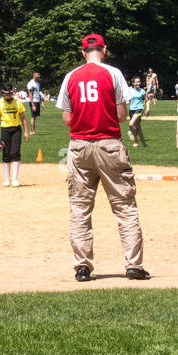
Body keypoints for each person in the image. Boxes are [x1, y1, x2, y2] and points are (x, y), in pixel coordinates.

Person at [56, 33, 148, 281]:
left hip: (79, 146)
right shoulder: (113, 73)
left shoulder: (71, 77)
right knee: (125, 207)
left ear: (82, 51)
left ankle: (83, 267)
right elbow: (121, 116)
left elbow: (67, 118)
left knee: (80, 210)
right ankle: (134, 266)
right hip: (109, 145)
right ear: (104, 50)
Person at [0, 83, 27, 188]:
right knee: (6, 153)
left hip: (16, 129)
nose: (8, 96)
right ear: (3, 94)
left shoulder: (18, 102)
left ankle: (15, 179)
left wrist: (26, 131)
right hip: (5, 129)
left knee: (15, 152)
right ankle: (7, 178)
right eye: (6, 94)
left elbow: (23, 117)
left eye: (10, 94)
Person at [126, 77, 148, 147]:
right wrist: (126, 102)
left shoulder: (142, 91)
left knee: (131, 124)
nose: (138, 83)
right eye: (136, 82)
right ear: (133, 83)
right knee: (137, 127)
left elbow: (146, 100)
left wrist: (148, 109)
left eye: (139, 82)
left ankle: (130, 132)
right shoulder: (130, 91)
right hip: (132, 110)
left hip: (139, 109)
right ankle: (141, 143)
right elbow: (128, 100)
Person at [25, 71, 43, 136]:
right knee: (33, 116)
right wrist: (33, 105)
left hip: (37, 101)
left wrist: (41, 103)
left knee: (34, 117)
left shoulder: (38, 83)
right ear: (34, 75)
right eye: (38, 74)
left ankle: (32, 130)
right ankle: (32, 131)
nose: (39, 76)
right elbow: (30, 94)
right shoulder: (30, 83)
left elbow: (38, 94)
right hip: (33, 101)